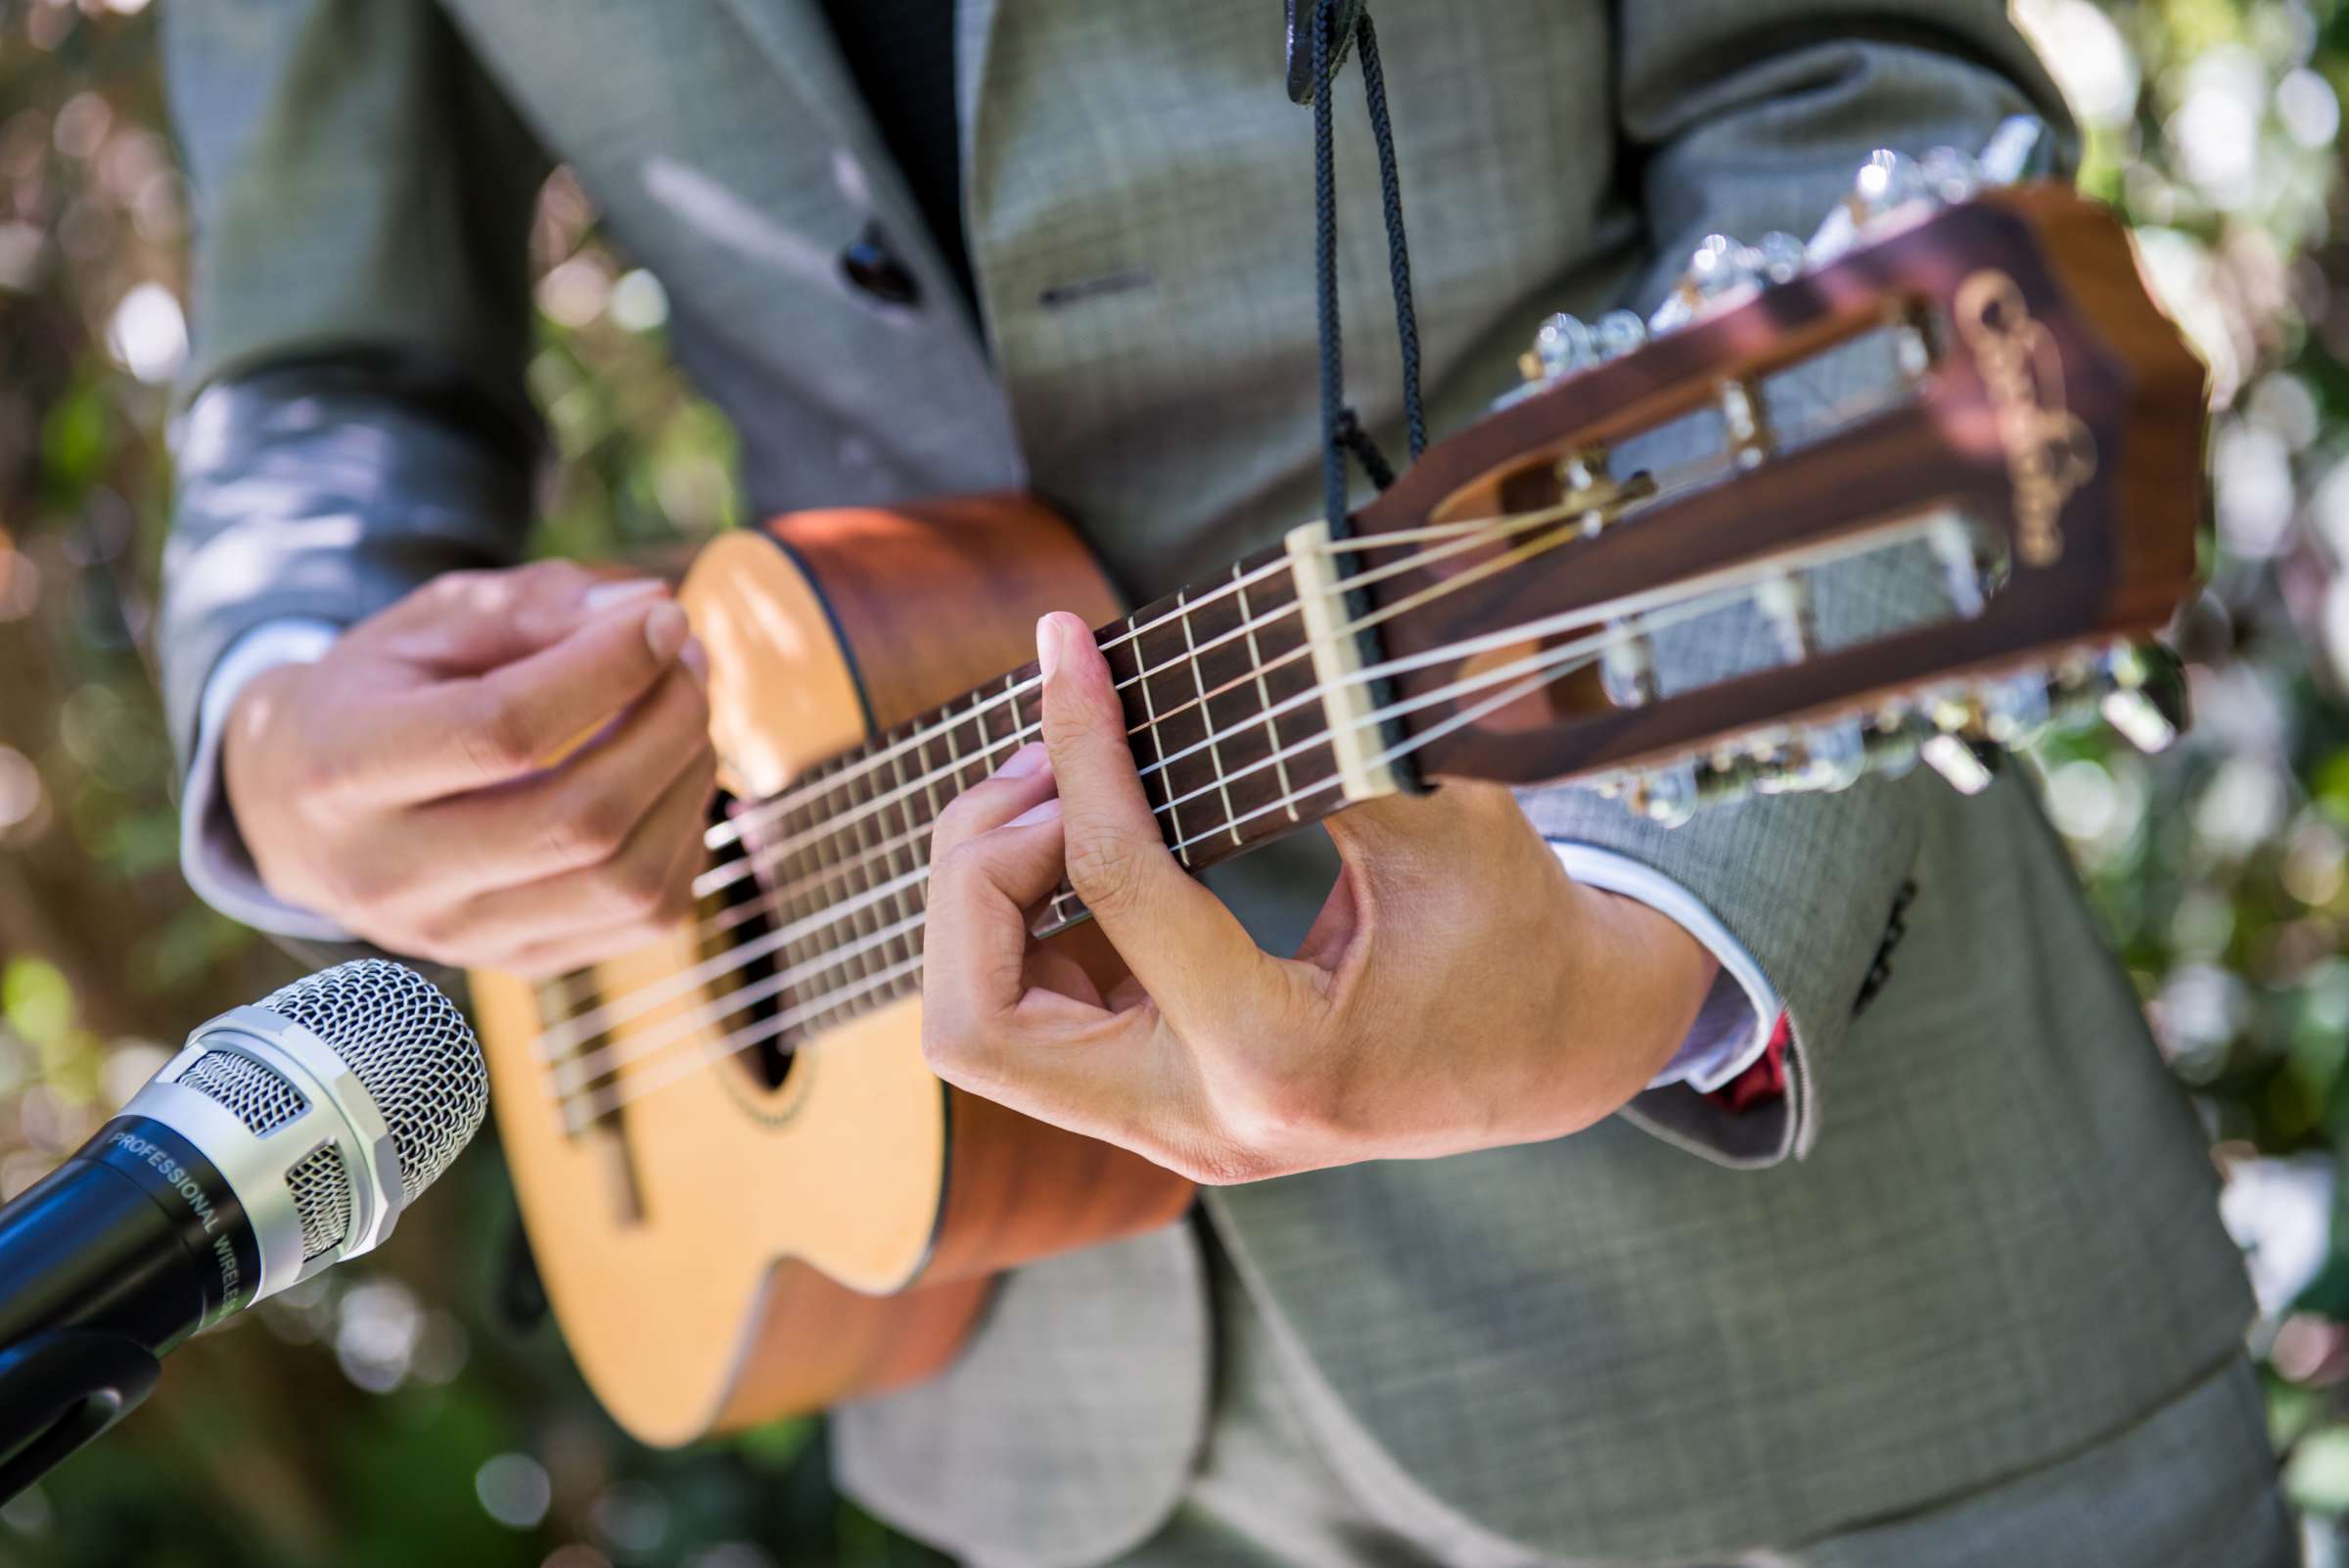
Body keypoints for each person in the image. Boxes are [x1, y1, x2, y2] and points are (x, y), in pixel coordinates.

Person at [158, 3, 2288, 1564]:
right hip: (1005, 1390)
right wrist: (284, 729)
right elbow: (328, 373)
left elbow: (1849, 104)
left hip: (1835, 1376)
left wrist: (1650, 910)